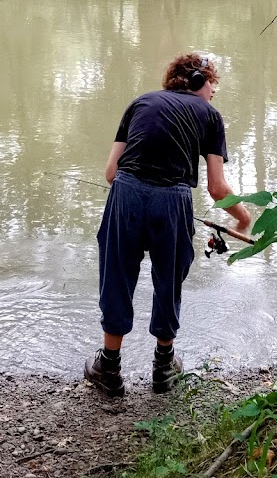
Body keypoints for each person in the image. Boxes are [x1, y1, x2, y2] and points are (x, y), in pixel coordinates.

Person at [84, 53, 252, 396]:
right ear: (197, 81)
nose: (213, 93)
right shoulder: (210, 116)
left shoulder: (140, 102)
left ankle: (109, 367)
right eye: (213, 85)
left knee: (117, 274)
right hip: (173, 200)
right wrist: (244, 218)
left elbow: (111, 173)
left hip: (126, 193)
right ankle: (163, 367)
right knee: (169, 277)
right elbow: (217, 188)